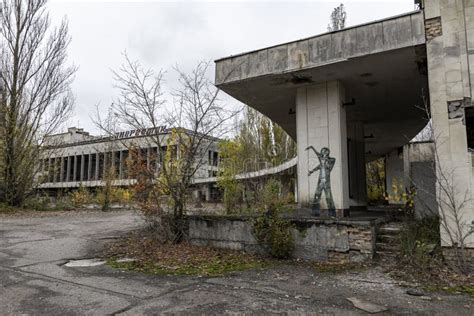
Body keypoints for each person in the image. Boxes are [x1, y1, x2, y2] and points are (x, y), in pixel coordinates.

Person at [305, 146, 335, 215]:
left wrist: (325, 161)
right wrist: (312, 147)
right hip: (320, 181)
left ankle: (332, 213)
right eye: (321, 154)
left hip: (326, 181)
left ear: (326, 153)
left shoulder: (331, 160)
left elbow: (329, 165)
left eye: (322, 153)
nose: (321, 155)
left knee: (329, 197)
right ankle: (315, 212)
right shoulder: (322, 161)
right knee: (317, 196)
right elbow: (319, 165)